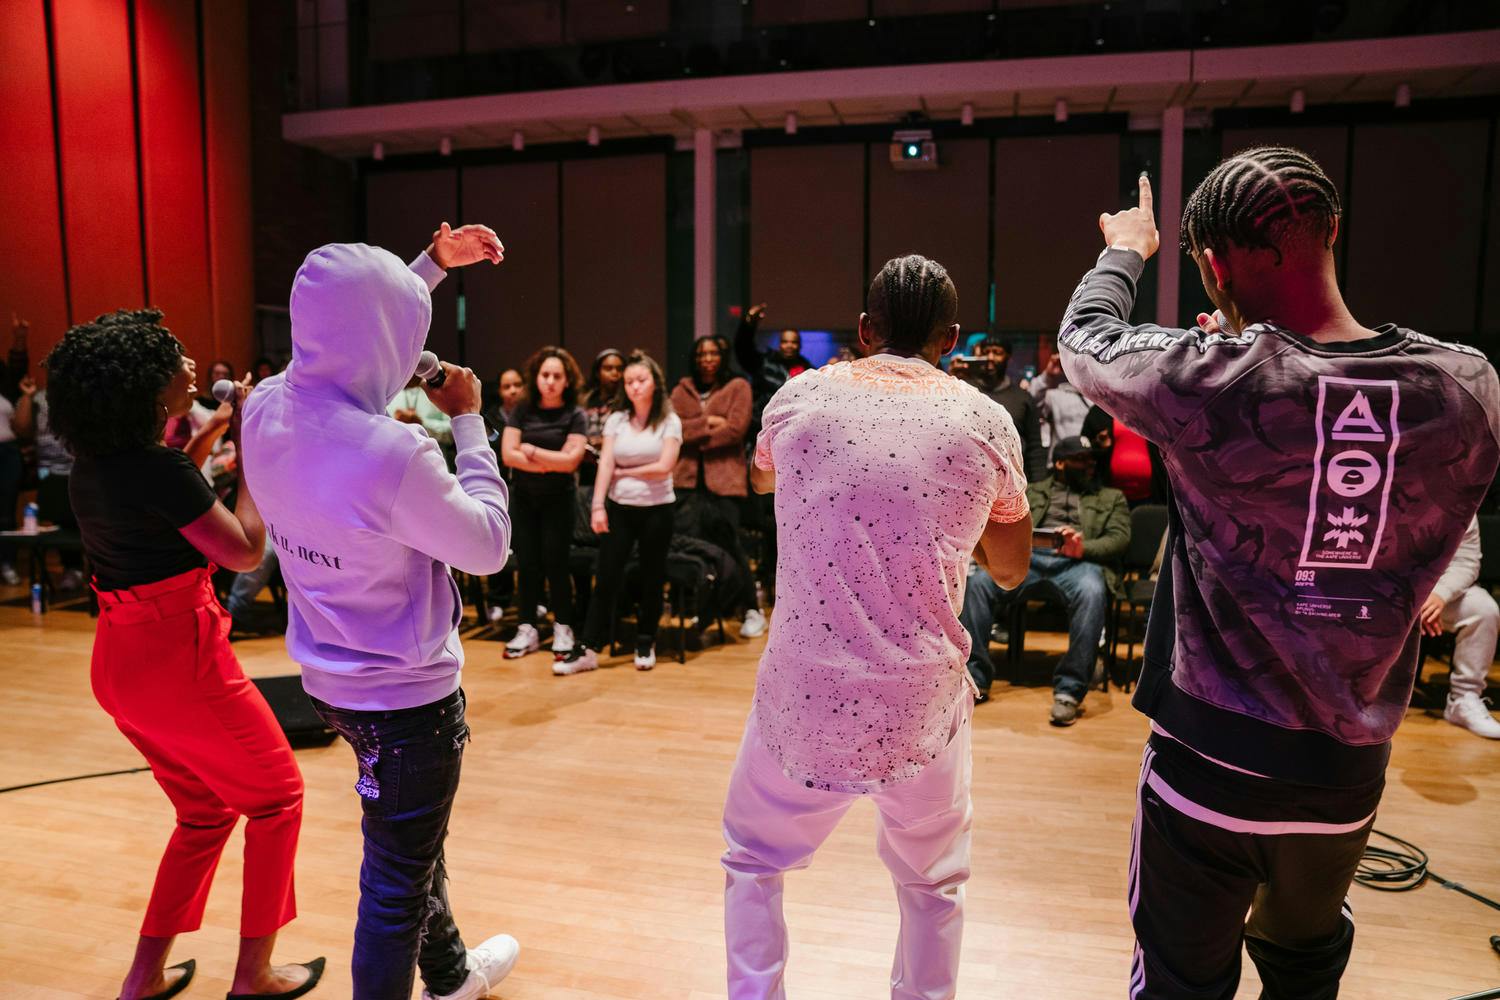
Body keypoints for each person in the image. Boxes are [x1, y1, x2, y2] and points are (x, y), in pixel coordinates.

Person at [1057, 151, 1500, 998]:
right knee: (1303, 971)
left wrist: (1126, 249)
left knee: (1182, 983)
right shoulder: (1465, 388)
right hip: (1343, 778)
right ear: (1333, 230)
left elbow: (1088, 340)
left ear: (1214, 265)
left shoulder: (1210, 381)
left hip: (1209, 765)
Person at [720, 255, 1032, 1000]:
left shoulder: (799, 403)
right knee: (933, 884)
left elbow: (763, 475)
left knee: (754, 863)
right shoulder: (985, 421)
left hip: (804, 695)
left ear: (863, 330)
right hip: (919, 705)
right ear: (951, 340)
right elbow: (1014, 569)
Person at [241, 224, 519, 1000]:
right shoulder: (391, 453)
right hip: (409, 700)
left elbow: (354, 319)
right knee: (395, 886)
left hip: (331, 682)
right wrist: (468, 419)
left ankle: (453, 976)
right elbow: (489, 544)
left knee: (409, 846)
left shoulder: (263, 410)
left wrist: (428, 267)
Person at [45, 309, 321, 1000]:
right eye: (176, 356)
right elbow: (243, 548)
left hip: (119, 664)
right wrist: (252, 451)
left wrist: (204, 443)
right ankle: (253, 975)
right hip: (180, 660)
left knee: (202, 814)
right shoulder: (159, 469)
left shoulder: (95, 470)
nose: (191, 364)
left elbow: (166, 506)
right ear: (144, 384)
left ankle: (144, 978)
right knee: (278, 799)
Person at [960, 434, 1129, 721]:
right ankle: (977, 676)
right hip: (1030, 559)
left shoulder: (1111, 497)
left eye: (1090, 460)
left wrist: (1082, 547)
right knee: (978, 584)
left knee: (1092, 591)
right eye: (1080, 459)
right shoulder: (1031, 490)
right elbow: (1003, 521)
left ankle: (1070, 690)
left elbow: (1120, 538)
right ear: (1060, 463)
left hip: (1078, 563)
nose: (1088, 465)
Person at [561, 351, 683, 673]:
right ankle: (588, 646)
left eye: (640, 380)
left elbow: (664, 467)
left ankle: (646, 639)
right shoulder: (616, 420)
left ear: (655, 383)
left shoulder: (669, 421)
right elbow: (605, 465)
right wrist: (598, 504)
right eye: (629, 382)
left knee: (652, 577)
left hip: (658, 508)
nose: (634, 387)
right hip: (620, 507)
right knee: (607, 576)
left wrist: (625, 472)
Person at [671, 335, 766, 638]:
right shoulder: (681, 389)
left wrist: (696, 430)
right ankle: (704, 612)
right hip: (686, 482)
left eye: (713, 353)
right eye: (701, 354)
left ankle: (751, 608)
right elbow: (674, 430)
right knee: (694, 548)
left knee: (730, 546)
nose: (707, 358)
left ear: (722, 357)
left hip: (724, 482)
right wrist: (709, 422)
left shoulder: (738, 386)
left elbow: (736, 431)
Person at [501, 346, 588, 660]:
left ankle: (563, 626)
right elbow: (508, 454)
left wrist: (532, 451)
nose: (550, 381)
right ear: (536, 378)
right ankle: (527, 627)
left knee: (556, 563)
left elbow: (570, 462)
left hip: (559, 500)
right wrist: (552, 460)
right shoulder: (522, 410)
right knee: (527, 564)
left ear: (567, 381)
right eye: (545, 375)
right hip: (524, 498)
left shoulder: (575, 414)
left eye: (557, 376)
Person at [1419, 516, 1500, 738]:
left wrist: (1439, 595)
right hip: (1386, 591)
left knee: (1482, 609)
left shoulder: (1462, 500)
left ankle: (1463, 699)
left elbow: (1466, 561)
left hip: (1437, 592)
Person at [12, 374, 87, 592]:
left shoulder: (82, 395)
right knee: (59, 524)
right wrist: (27, 396)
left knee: (87, 524)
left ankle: (92, 572)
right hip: (50, 472)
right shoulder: (38, 399)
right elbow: (22, 429)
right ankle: (72, 569)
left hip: (82, 468)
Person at [973, 336, 1046, 481]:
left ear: (1008, 357)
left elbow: (1035, 446)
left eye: (997, 352)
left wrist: (1038, 486)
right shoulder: (967, 391)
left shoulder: (1023, 398)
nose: (991, 357)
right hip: (975, 478)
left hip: (1014, 480)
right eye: (986, 352)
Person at [1080, 404, 1166, 505]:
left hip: (1155, 496)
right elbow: (1084, 448)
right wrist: (1099, 445)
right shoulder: (1100, 410)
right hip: (1109, 498)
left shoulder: (1154, 410)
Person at [0, 314, 31, 584]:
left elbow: (17, 370)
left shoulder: (4, 388)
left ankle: (7, 563)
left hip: (7, 453)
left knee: (7, 511)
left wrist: (19, 339)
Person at [1028, 349, 1091, 455]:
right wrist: (1048, 375)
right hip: (1061, 460)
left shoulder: (1097, 393)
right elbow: (1031, 399)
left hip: (1089, 459)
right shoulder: (1054, 395)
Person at [579, 348, 624, 486]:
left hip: (617, 471)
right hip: (586, 472)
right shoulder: (584, 400)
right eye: (608, 368)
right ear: (598, 372)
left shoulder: (627, 403)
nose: (615, 373)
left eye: (619, 369)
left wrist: (604, 442)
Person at [389, 374, 455, 446]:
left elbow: (453, 433)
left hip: (433, 455)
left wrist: (423, 424)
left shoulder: (439, 394)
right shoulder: (388, 397)